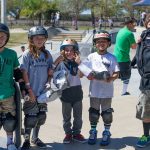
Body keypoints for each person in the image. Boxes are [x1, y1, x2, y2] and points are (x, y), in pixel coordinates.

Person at [79, 30, 119, 146]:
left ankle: (106, 132)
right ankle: (93, 131)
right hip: (94, 91)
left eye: (104, 41)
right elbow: (82, 71)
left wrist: (110, 79)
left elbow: (117, 73)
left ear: (108, 43)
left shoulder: (112, 57)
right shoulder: (91, 56)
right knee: (93, 113)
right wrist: (86, 74)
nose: (101, 43)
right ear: (95, 44)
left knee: (107, 113)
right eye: (98, 42)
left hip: (107, 92)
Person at [20, 26, 53, 150]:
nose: (39, 40)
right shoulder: (27, 54)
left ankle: (35, 138)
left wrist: (49, 82)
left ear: (45, 39)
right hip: (31, 91)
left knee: (41, 117)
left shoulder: (46, 54)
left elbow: (50, 71)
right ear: (31, 39)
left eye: (42, 38)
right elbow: (24, 73)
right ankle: (27, 141)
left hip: (42, 92)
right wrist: (29, 91)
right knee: (31, 118)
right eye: (36, 38)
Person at [54, 38, 86, 144]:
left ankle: (76, 133)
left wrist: (79, 63)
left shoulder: (78, 63)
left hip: (77, 92)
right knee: (66, 116)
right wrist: (56, 61)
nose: (69, 52)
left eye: (71, 50)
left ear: (76, 51)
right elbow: (51, 72)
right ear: (63, 51)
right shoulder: (61, 64)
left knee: (78, 116)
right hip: (65, 93)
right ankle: (68, 133)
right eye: (66, 50)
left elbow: (81, 75)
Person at [0, 23, 25, 150]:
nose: (0, 39)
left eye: (2, 37)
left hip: (8, 94)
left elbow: (16, 72)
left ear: (7, 38)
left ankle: (10, 142)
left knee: (9, 120)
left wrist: (22, 85)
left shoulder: (11, 54)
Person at [136, 14, 150, 148]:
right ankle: (146, 135)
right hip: (146, 81)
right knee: (145, 110)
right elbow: (137, 56)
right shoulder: (143, 38)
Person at [113, 17, 137, 96]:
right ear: (129, 24)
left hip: (115, 56)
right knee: (126, 76)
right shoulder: (129, 33)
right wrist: (139, 42)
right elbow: (134, 47)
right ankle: (123, 92)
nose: (135, 25)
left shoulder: (121, 31)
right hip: (123, 58)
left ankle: (106, 90)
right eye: (134, 23)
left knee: (114, 75)